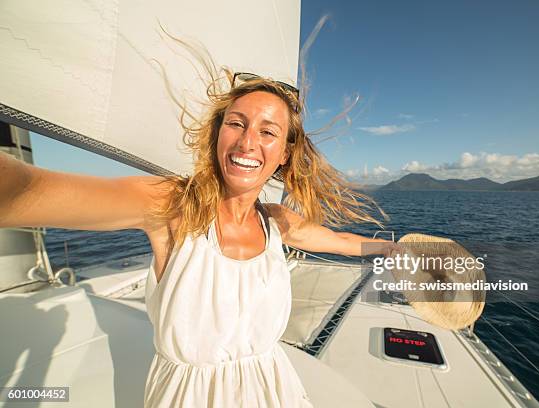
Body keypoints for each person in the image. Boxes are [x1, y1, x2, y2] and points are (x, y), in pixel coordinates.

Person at [0, 68, 399, 406]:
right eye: (237, 124)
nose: (247, 143)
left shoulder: (277, 221)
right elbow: (24, 191)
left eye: (267, 132)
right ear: (217, 135)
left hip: (274, 390)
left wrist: (396, 250)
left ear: (285, 154)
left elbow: (342, 242)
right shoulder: (174, 207)